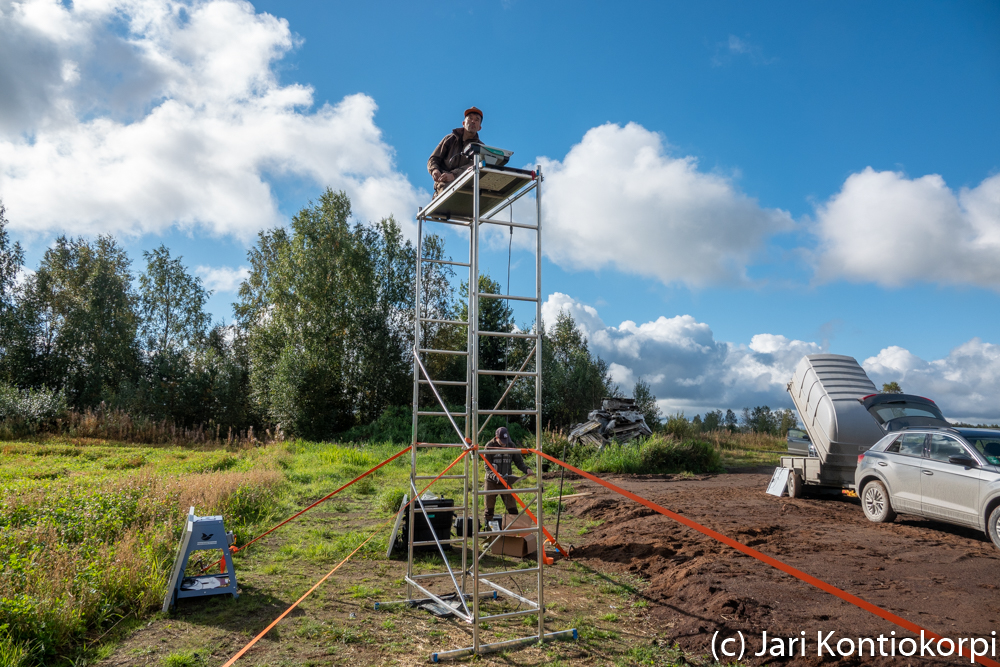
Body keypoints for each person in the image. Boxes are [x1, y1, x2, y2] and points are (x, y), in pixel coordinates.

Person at [482, 426, 533, 528]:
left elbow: (518, 462)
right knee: (489, 509)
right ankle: (488, 532)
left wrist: (526, 469)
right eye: (502, 440)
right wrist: (495, 476)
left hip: (506, 481)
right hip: (491, 482)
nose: (504, 443)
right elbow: (487, 466)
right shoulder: (489, 446)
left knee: (512, 508)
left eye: (506, 440)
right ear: (496, 438)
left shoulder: (511, 445)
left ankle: (513, 530)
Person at [427, 106, 483, 194]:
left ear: (479, 127)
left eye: (477, 120)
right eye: (470, 118)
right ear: (463, 123)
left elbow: (475, 165)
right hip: (444, 185)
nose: (473, 121)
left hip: (467, 187)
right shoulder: (449, 139)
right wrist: (434, 170)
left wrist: (454, 175)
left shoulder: (481, 148)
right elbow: (434, 158)